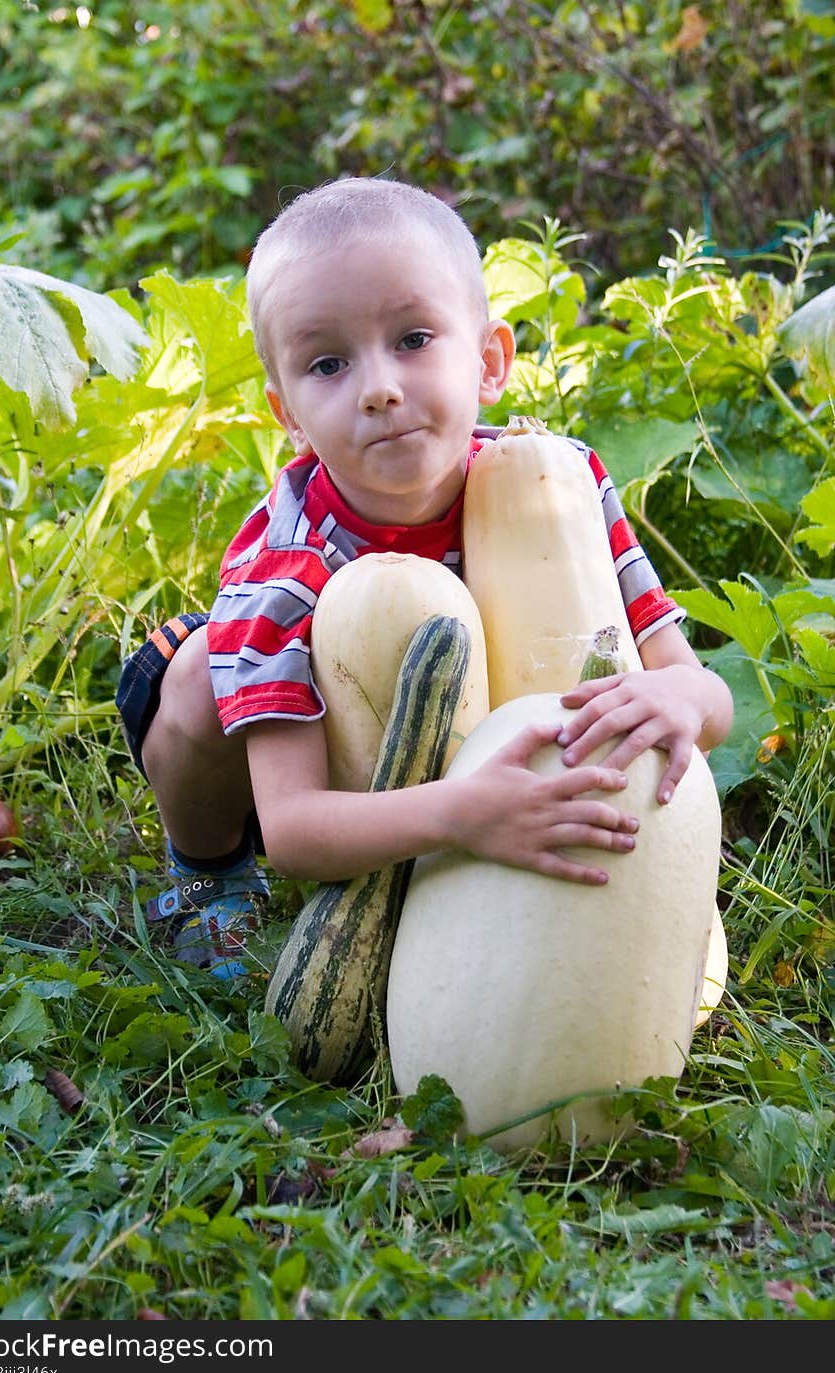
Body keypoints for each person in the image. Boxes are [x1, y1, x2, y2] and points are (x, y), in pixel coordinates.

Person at [116, 176, 733, 979]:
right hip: (315, 770)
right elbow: (299, 833)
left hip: (492, 774)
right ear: (288, 415)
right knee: (199, 674)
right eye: (329, 363)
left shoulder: (561, 484)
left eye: (412, 339)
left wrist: (682, 698)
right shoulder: (286, 567)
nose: (378, 387)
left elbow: (704, 696)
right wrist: (460, 815)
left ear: (489, 362)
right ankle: (206, 876)